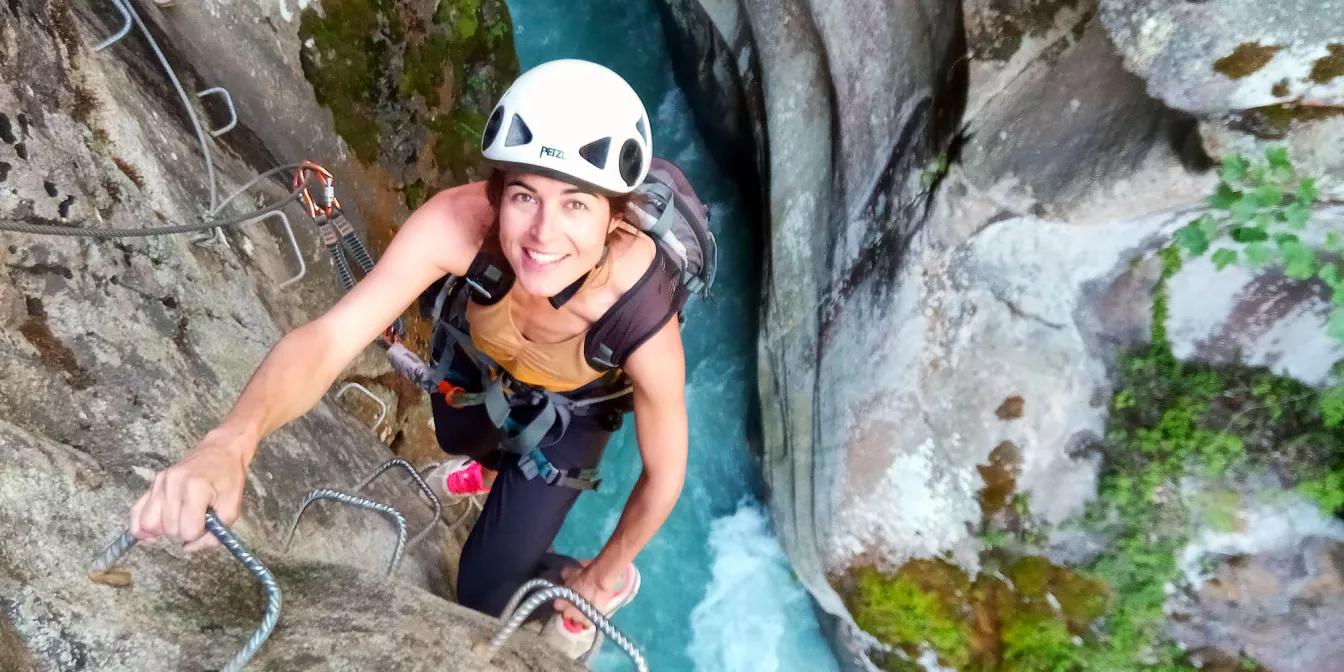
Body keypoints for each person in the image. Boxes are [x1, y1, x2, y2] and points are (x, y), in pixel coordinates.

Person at [126, 59, 689, 657]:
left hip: (570, 411)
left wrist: (606, 570)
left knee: (480, 591)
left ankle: (585, 594)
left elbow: (666, 473)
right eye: (525, 196)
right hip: (487, 363)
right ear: (498, 193)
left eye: (576, 204)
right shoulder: (457, 225)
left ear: (614, 217)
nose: (543, 234)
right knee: (455, 433)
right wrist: (229, 443)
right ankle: (492, 471)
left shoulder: (640, 312)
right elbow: (331, 337)